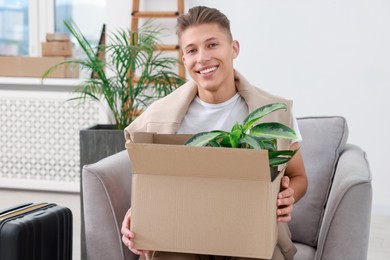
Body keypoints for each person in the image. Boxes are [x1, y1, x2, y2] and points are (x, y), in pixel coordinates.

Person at [121, 6, 307, 260]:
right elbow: (150, 183)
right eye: (192, 50)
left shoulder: (274, 112)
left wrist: (288, 195)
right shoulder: (157, 119)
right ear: (184, 60)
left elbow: (298, 176)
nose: (202, 58)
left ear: (234, 48)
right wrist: (137, 216)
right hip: (181, 238)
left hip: (250, 234)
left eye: (212, 45)